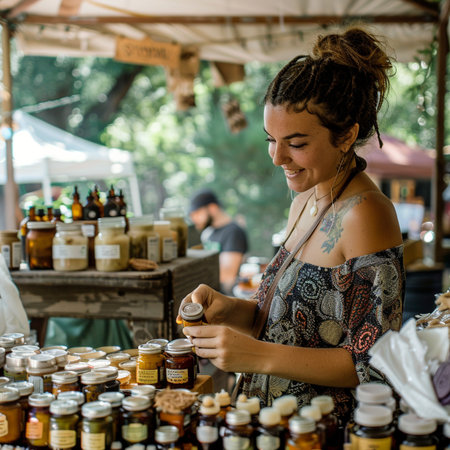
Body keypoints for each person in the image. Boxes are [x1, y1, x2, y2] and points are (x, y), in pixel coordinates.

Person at [178, 27, 405, 421]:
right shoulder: (304, 199)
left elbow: (375, 364)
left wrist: (255, 355)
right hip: (273, 422)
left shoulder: (367, 213)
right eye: (271, 139)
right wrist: (230, 310)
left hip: (323, 431)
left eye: (296, 143)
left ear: (347, 135)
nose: (277, 157)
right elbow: (293, 326)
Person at [189, 188, 248, 295]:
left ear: (212, 208)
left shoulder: (233, 232)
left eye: (197, 213)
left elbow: (227, 275)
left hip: (228, 298)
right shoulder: (207, 233)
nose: (194, 219)